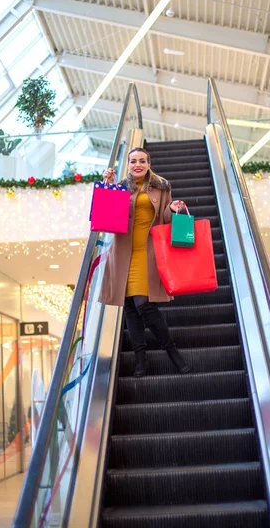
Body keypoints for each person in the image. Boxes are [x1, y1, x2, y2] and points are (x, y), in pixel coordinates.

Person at [99, 147, 190, 377]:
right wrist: (107, 185)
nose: (137, 164)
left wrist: (172, 208)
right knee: (130, 307)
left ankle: (172, 352)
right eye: (133, 161)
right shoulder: (119, 186)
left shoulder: (162, 187)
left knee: (143, 304)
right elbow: (106, 217)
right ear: (127, 165)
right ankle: (141, 359)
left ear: (149, 164)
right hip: (122, 252)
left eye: (142, 161)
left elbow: (167, 220)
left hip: (148, 251)